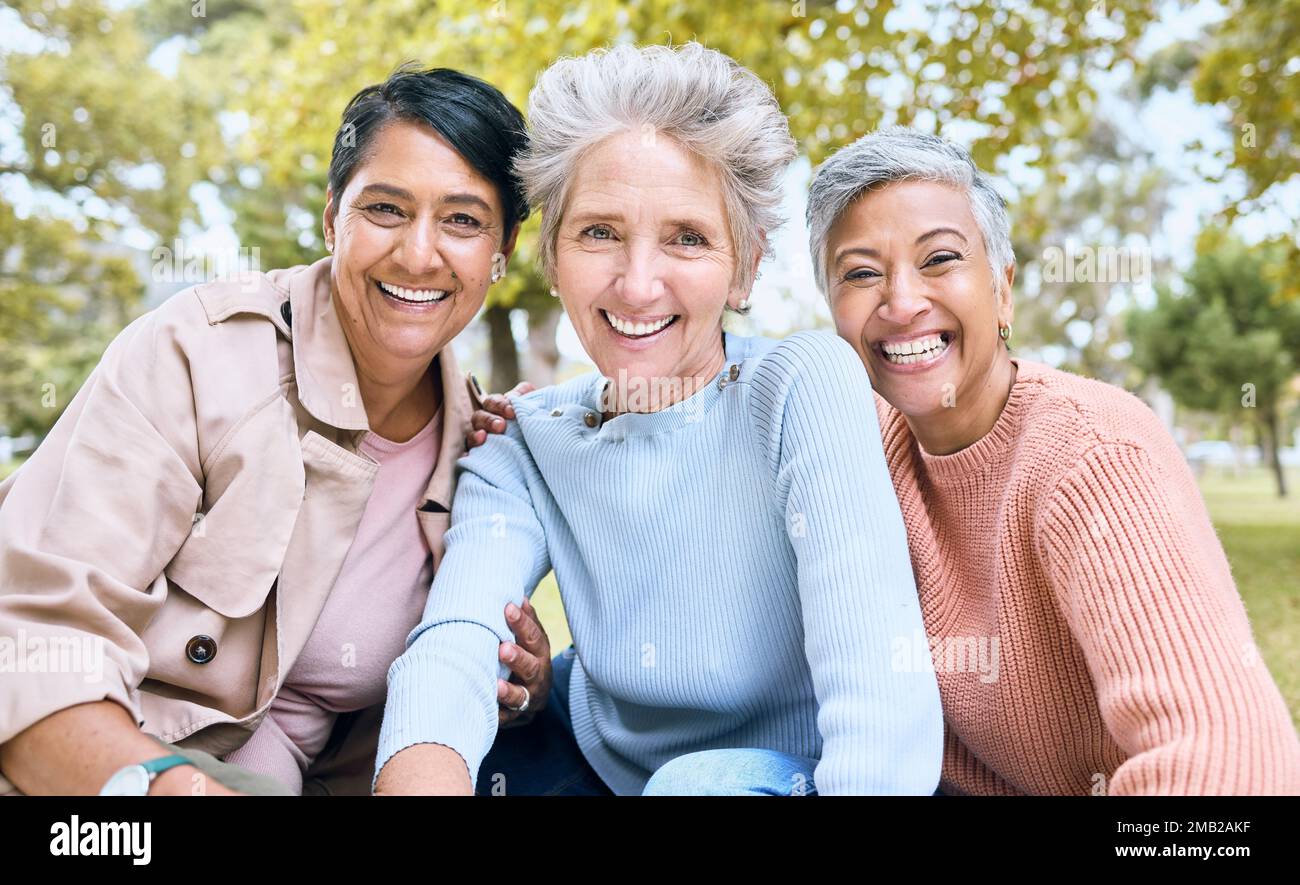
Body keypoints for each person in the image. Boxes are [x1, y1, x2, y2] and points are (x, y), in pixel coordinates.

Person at [373, 43, 943, 797]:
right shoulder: (525, 438)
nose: (638, 285)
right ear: (551, 255)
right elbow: (456, 645)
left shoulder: (801, 384)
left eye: (687, 237)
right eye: (600, 233)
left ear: (742, 265)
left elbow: (880, 685)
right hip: (605, 770)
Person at [0, 65, 551, 796]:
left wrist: (521, 686)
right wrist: (172, 791)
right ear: (332, 218)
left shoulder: (480, 451)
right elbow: (35, 646)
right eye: (386, 208)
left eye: (463, 220)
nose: (420, 254)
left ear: (502, 250)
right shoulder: (197, 355)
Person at [805, 126, 1300, 794]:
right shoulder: (849, 448)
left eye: (940, 259)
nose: (901, 302)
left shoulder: (1093, 453)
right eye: (861, 273)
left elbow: (1231, 766)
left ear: (1003, 291)